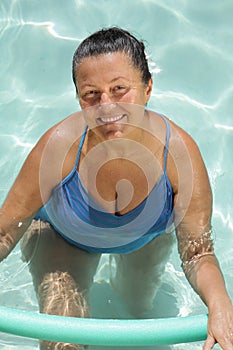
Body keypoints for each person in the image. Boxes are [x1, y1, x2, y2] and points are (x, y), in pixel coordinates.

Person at [0, 27, 232, 350]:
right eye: (90, 94)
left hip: (144, 237)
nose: (105, 107)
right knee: (64, 340)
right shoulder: (59, 147)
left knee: (139, 310)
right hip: (63, 237)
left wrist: (219, 303)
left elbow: (198, 253)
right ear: (78, 98)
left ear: (148, 87)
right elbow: (4, 232)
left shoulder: (179, 156)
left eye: (119, 89)